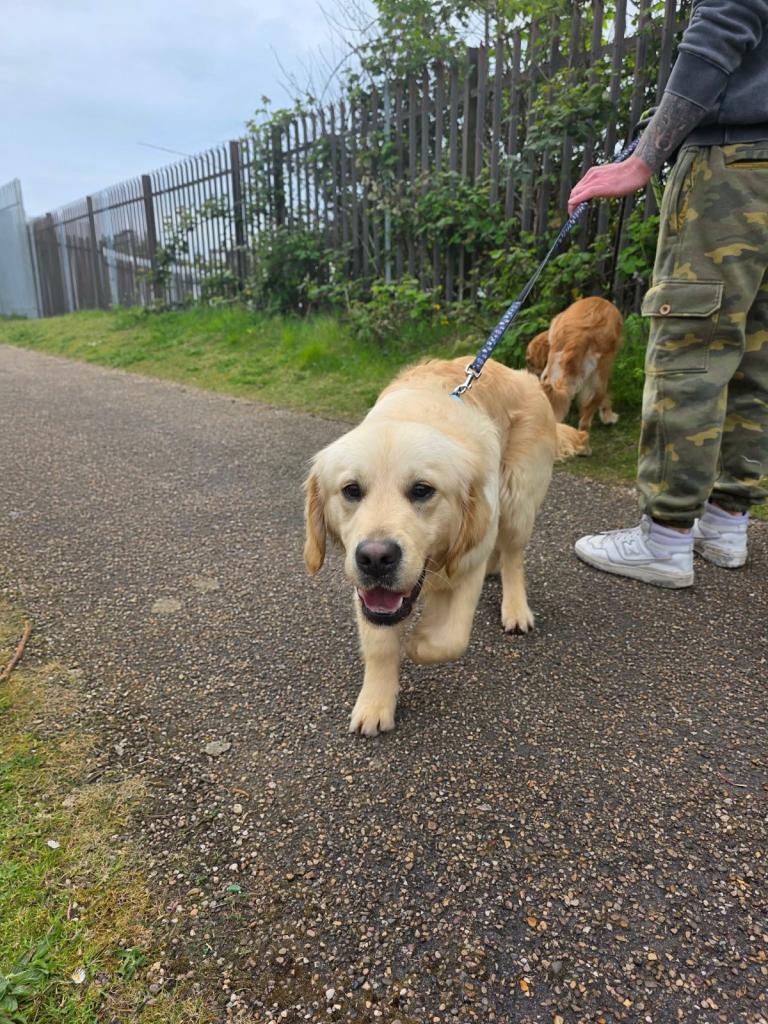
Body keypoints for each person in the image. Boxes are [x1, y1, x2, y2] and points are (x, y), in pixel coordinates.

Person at [567, 0, 768, 588]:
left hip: (733, 166)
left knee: (692, 347)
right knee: (755, 355)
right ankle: (727, 524)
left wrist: (645, 156)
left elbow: (727, 21)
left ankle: (666, 537)